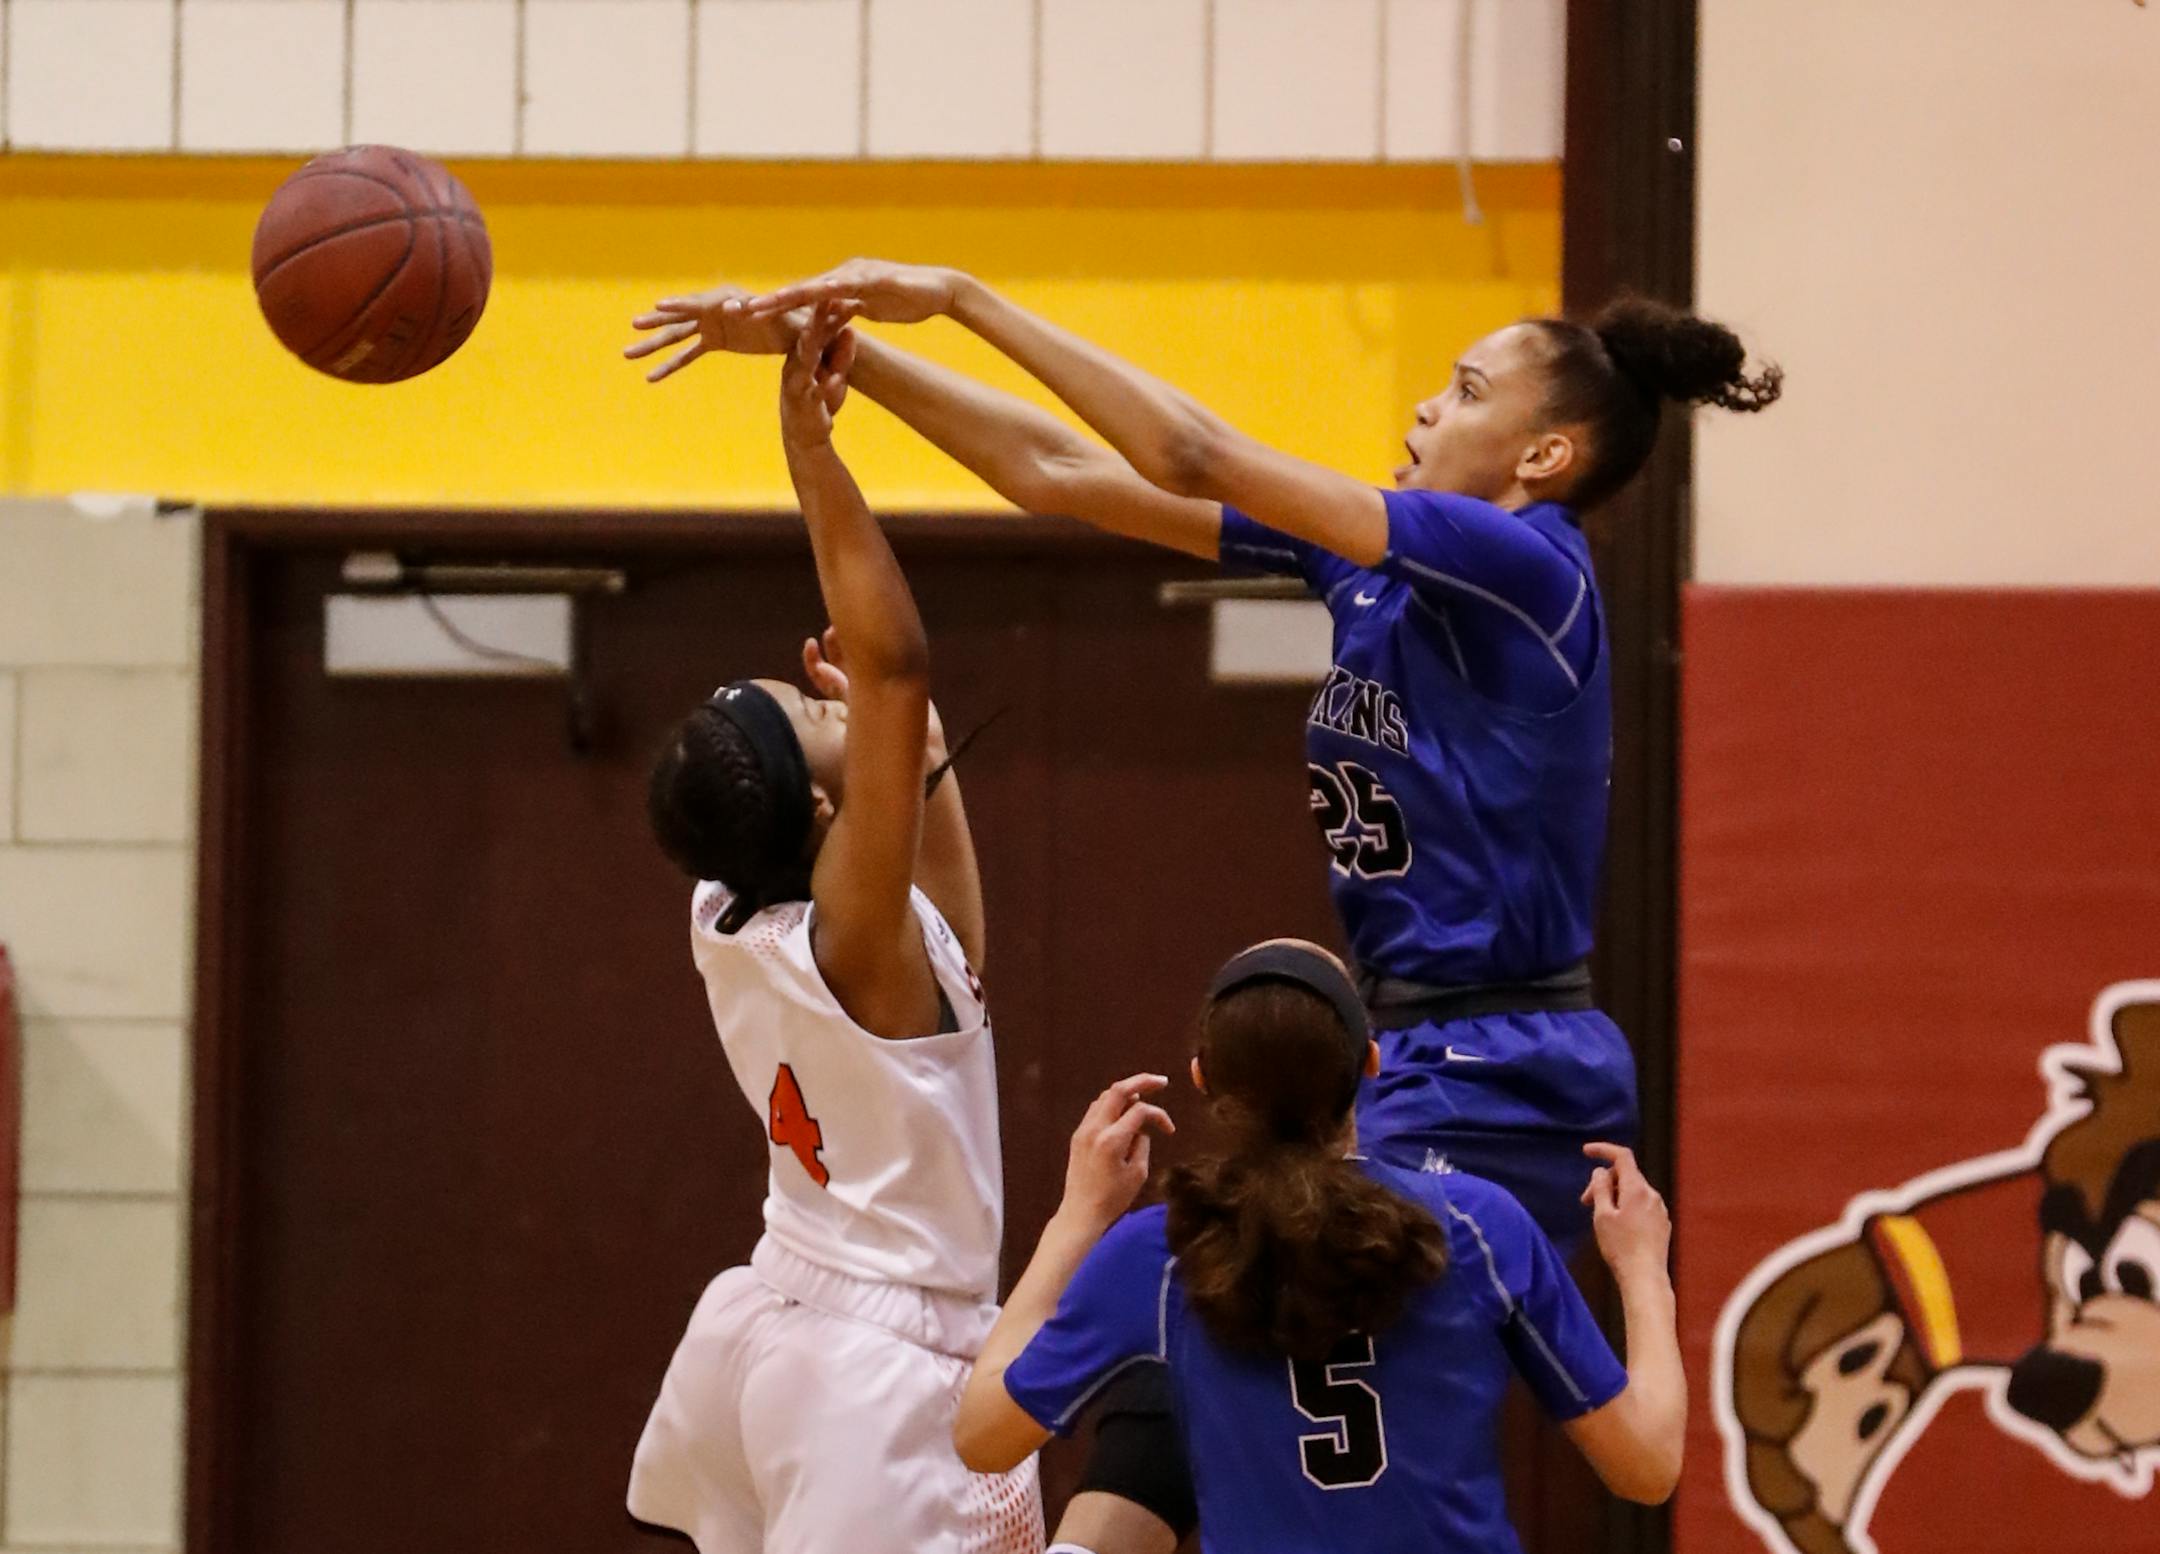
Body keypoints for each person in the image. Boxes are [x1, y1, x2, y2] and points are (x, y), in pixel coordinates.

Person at [626, 264, 1776, 1551]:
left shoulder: (1529, 573)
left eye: (1463, 390)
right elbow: (1059, 473)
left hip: (1503, 1068)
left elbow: (1186, 445)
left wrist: (957, 297)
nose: (1421, 404)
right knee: (1196, 1356)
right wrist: (839, 354)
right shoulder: (1373, 570)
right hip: (1410, 1048)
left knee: (1246, 1352)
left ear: (1545, 453)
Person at [627, 302, 1044, 1554]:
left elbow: (960, 944)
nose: (839, 701)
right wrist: (812, 452)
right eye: (815, 716)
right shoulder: (851, 947)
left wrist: (908, 759)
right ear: (822, 800)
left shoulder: (730, 908)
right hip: (881, 1369)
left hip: (774, 1317)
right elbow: (898, 658)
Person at [953, 939, 1685, 1554]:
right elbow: (1648, 1466)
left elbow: (983, 1438)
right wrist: (1642, 1268)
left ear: (1205, 1080)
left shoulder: (1164, 1252)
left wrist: (1076, 1220)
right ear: (1371, 1064)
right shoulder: (1479, 1225)